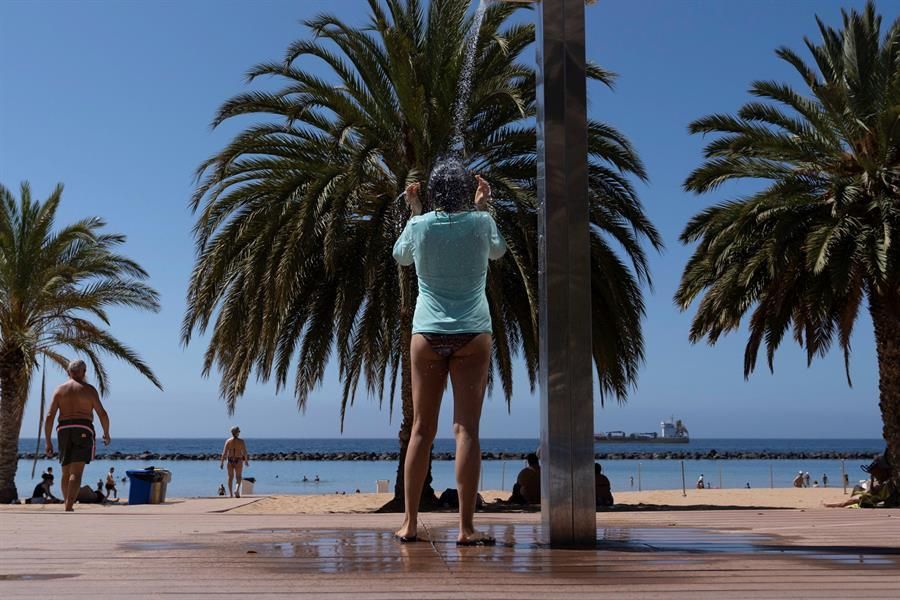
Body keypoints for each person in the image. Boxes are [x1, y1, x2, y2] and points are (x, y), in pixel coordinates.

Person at [393, 159, 506, 546]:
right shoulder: (481, 222)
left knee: (421, 429)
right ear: (464, 191)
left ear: (433, 192)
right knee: (467, 430)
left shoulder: (419, 225)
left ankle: (409, 524)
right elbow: (498, 252)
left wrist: (415, 212)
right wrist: (482, 206)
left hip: (427, 332)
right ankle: (466, 528)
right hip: (473, 333)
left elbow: (401, 257)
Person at [44, 359, 111, 512]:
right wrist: (106, 433)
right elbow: (102, 413)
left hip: (63, 429)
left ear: (68, 372)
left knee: (65, 472)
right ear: (84, 372)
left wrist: (48, 441)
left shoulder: (59, 390)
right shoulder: (89, 390)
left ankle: (66, 504)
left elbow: (49, 416)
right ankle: (69, 506)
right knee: (76, 472)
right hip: (83, 428)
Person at [219, 426, 249, 498]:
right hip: (238, 460)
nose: (239, 433)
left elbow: (224, 453)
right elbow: (245, 452)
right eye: (239, 431)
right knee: (238, 477)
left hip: (230, 460)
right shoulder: (241, 441)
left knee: (230, 477)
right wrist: (246, 461)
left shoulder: (228, 441)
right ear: (237, 433)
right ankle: (236, 489)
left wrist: (222, 462)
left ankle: (231, 494)